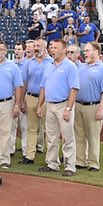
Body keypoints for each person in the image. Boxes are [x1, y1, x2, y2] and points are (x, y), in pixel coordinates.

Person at [37, 39, 79, 177]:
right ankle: (52, 163)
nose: (52, 50)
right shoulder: (48, 66)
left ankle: (70, 166)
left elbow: (74, 89)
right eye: (51, 47)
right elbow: (43, 87)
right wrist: (40, 105)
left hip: (63, 105)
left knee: (67, 137)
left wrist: (68, 109)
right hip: (50, 105)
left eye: (55, 47)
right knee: (51, 136)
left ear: (64, 50)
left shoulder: (70, 66)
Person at [74, 43, 103, 171]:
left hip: (93, 106)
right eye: (84, 51)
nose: (85, 53)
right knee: (79, 135)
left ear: (96, 51)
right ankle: (80, 161)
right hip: (78, 105)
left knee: (93, 136)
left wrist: (101, 109)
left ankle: (94, 163)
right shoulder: (81, 67)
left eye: (88, 51)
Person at [21, 38, 49, 163]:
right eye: (35, 45)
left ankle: (50, 157)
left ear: (45, 47)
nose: (36, 48)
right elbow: (24, 82)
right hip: (31, 97)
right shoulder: (28, 62)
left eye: (39, 45)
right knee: (31, 128)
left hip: (47, 99)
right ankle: (29, 155)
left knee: (48, 129)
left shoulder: (51, 62)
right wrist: (21, 100)